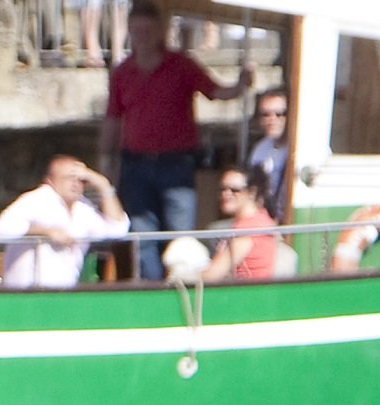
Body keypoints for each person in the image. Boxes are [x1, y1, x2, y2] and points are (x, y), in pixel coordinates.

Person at [102, 2, 251, 242]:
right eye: (138, 31)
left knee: (180, 236)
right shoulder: (122, 73)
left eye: (148, 31)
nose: (143, 37)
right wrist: (106, 158)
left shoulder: (182, 66)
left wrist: (240, 85)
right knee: (141, 237)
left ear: (160, 31)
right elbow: (112, 118)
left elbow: (215, 92)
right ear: (130, 31)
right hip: (135, 165)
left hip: (176, 163)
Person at [0, 155, 127, 289]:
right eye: (68, 178)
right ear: (50, 181)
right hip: (26, 292)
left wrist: (103, 185)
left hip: (65, 292)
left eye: (80, 179)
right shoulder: (35, 199)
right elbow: (2, 228)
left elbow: (117, 230)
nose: (75, 184)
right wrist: (45, 232)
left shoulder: (83, 207)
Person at [210, 166, 284, 280]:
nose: (226, 194)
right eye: (223, 189)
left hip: (246, 289)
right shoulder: (261, 218)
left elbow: (212, 275)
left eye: (235, 190)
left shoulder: (247, 229)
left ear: (252, 193)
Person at [248, 86, 290, 222]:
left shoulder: (305, 148)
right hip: (266, 219)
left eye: (279, 114)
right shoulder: (259, 150)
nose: (272, 119)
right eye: (266, 114)